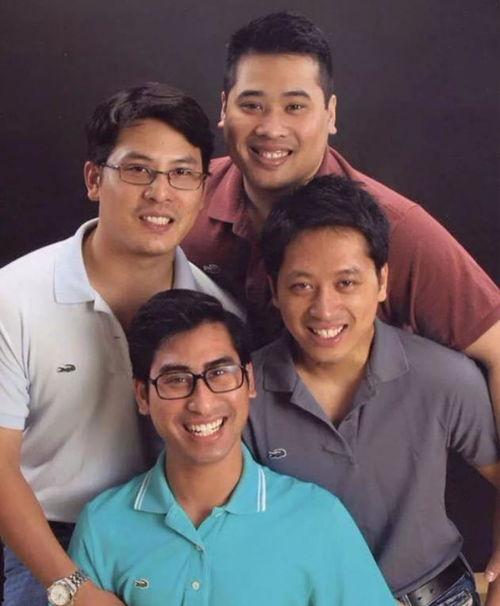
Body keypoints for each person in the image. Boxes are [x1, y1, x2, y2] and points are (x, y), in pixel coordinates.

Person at [181, 10, 500, 436]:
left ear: (330, 113)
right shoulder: (183, 198)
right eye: (252, 105)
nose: (271, 128)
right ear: (224, 107)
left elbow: (497, 346)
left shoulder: (392, 225)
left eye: (295, 106)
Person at [0, 82, 241, 606]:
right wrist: (71, 588)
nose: (160, 193)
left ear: (203, 189)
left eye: (182, 173)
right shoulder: (13, 298)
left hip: (177, 533)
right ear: (94, 178)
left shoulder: (219, 313)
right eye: (138, 170)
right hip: (48, 540)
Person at [244, 174, 500, 605]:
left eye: (346, 283)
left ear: (382, 282)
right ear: (274, 290)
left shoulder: (443, 377)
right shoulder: (241, 394)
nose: (324, 309)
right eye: (302, 286)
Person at [68, 289, 394, 605]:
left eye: (220, 373)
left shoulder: (318, 519)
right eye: (176, 380)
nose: (203, 403)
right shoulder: (103, 525)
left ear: (249, 381)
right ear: (142, 396)